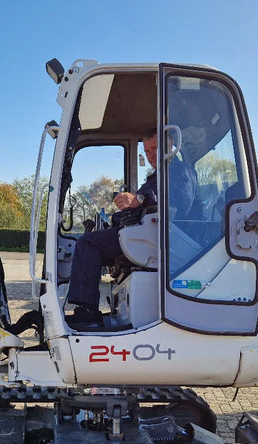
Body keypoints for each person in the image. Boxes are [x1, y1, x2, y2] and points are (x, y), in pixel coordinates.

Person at [65, 129, 197, 329]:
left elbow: (182, 201)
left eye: (155, 149)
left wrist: (139, 199)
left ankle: (88, 313)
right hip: (145, 231)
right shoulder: (159, 175)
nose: (151, 155)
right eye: (147, 151)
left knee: (88, 243)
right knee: (92, 241)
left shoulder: (181, 171)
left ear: (170, 147)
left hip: (164, 236)